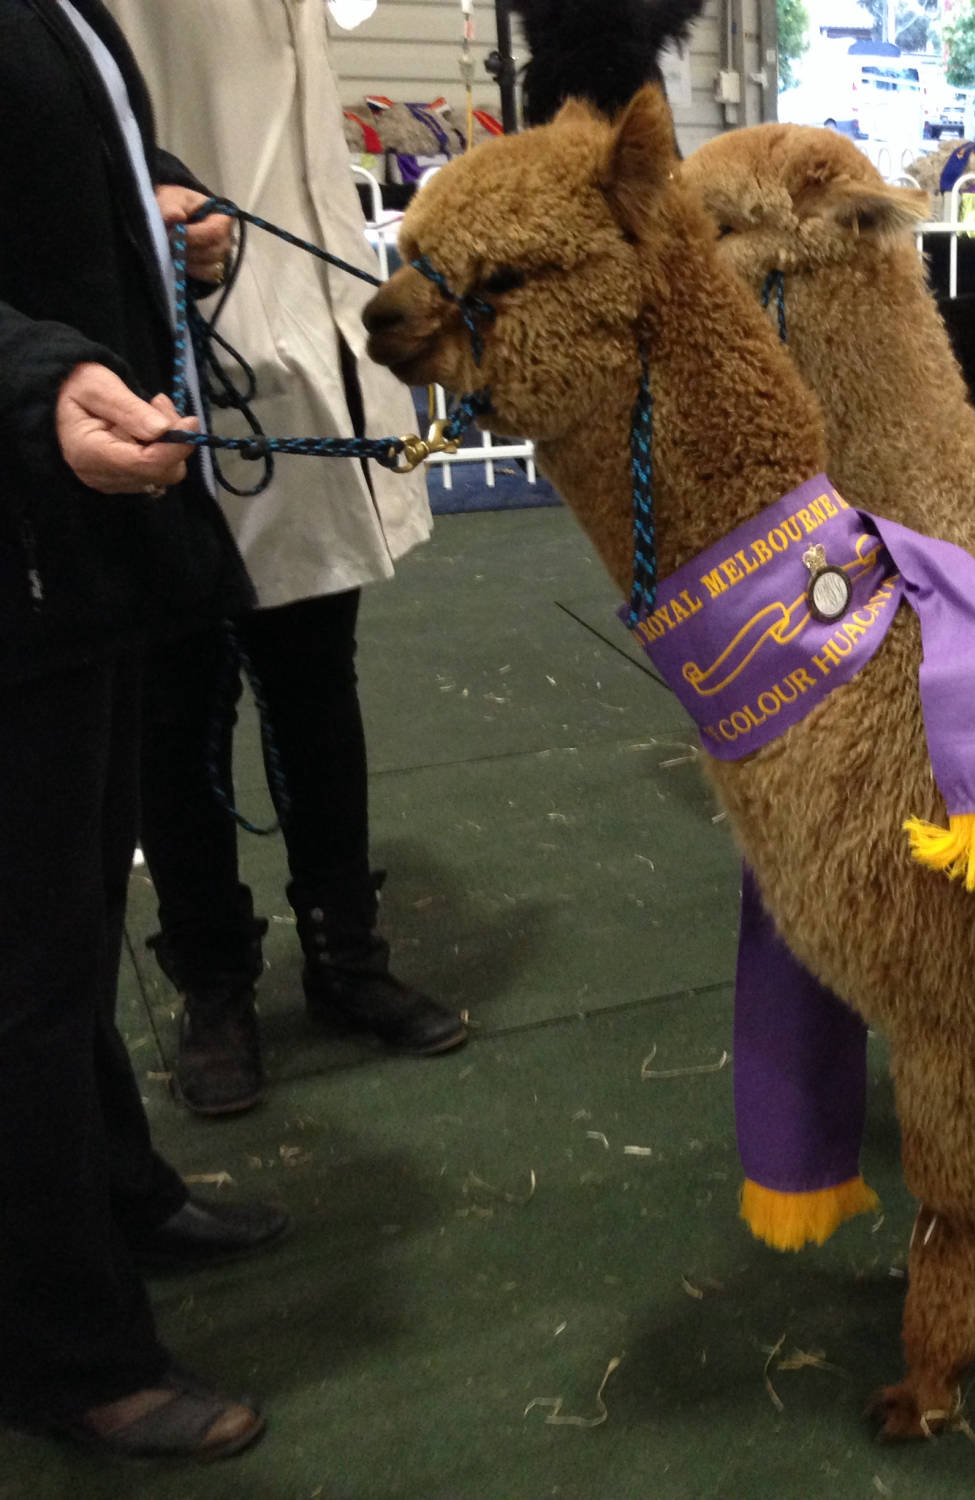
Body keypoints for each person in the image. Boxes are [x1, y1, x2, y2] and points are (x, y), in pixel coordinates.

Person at [1, 0, 290, 1460]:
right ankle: (66, 1350)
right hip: (26, 516)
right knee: (24, 974)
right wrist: (34, 377)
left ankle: (114, 1196)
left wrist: (164, 198)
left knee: (65, 930)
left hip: (83, 533)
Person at [103, 0, 467, 1117]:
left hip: (308, 349)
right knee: (181, 700)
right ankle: (213, 979)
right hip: (162, 348)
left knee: (315, 681)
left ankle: (344, 955)